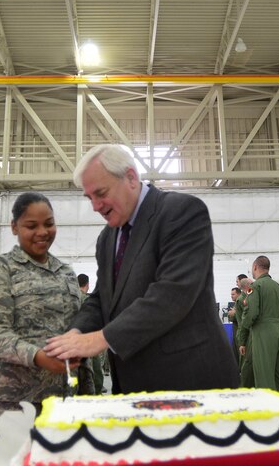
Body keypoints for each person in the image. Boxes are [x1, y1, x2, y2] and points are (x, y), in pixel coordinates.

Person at [44, 144, 239, 393]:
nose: (95, 205)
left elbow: (173, 294)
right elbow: (103, 298)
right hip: (132, 385)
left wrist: (100, 339)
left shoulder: (182, 212)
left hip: (191, 382)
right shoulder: (107, 238)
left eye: (100, 193)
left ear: (131, 178)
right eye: (89, 197)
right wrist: (77, 333)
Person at [0, 193, 84, 425]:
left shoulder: (66, 273)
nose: (43, 232)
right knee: (4, 462)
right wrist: (39, 357)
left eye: (49, 224)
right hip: (8, 404)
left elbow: (77, 329)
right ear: (14, 227)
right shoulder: (0, 271)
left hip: (60, 401)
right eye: (31, 226)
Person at [240, 256, 279, 393]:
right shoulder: (278, 287)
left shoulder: (255, 286)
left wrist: (243, 331)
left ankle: (267, 410)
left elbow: (251, 313)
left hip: (263, 333)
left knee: (264, 375)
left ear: (255, 267)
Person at [77, 274, 104, 394]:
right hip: (89, 340)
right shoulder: (88, 300)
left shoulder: (72, 297)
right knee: (94, 370)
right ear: (87, 284)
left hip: (74, 341)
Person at [227, 286, 243, 361]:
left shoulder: (241, 302)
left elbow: (239, 317)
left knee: (240, 351)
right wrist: (231, 314)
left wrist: (232, 314)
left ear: (239, 294)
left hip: (240, 330)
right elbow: (231, 317)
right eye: (231, 294)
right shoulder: (236, 304)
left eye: (233, 294)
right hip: (235, 330)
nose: (231, 296)